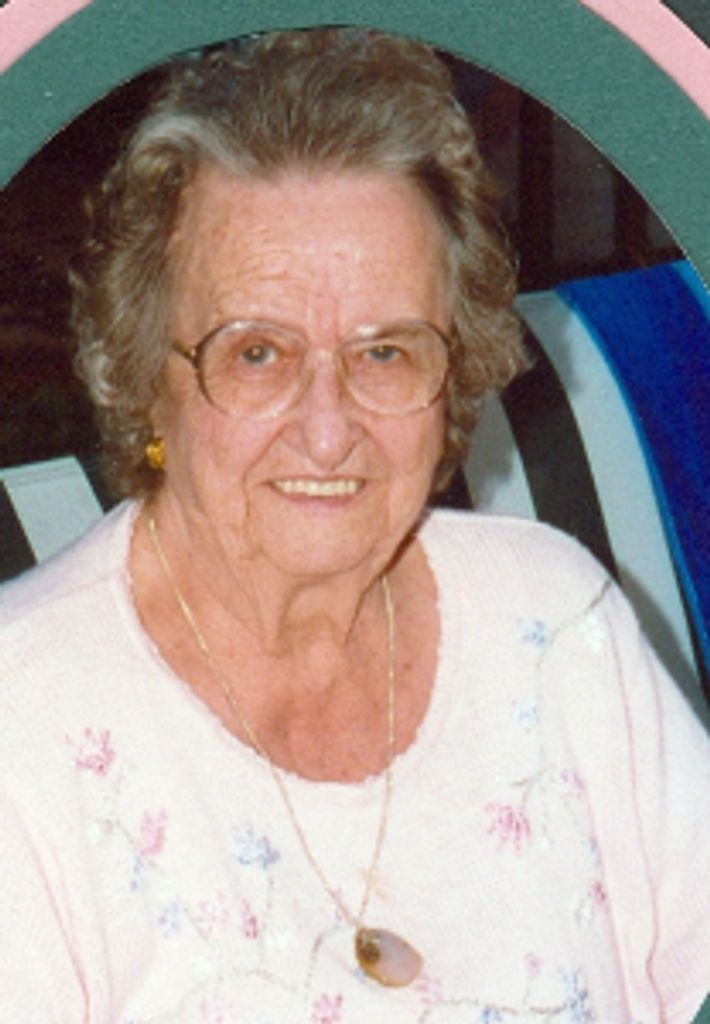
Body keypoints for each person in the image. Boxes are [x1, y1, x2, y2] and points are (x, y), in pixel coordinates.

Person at [0, 28, 708, 1024]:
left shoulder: (556, 622)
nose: (329, 431)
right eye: (256, 353)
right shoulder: (24, 731)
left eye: (385, 352)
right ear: (146, 373)